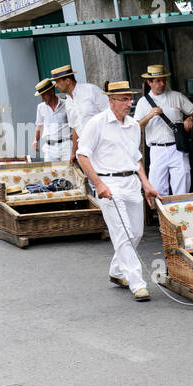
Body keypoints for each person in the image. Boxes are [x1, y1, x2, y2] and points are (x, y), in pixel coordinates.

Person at [75, 80, 160, 302]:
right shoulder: (96, 123)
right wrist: (98, 184)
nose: (129, 103)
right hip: (108, 184)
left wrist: (146, 184)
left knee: (136, 233)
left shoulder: (133, 126)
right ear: (111, 101)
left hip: (131, 183)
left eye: (130, 98)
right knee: (122, 234)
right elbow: (82, 156)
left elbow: (136, 158)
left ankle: (116, 271)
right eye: (123, 99)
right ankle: (138, 283)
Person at [134, 64, 193, 197]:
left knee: (182, 190)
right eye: (158, 81)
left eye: (164, 80)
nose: (162, 83)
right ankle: (162, 217)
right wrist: (149, 115)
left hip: (178, 148)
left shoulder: (176, 96)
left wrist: (190, 119)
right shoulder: (143, 102)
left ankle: (181, 217)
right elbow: (136, 127)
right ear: (149, 82)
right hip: (157, 149)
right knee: (158, 190)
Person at [32, 78, 72, 161]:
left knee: (69, 172)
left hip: (66, 145)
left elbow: (75, 124)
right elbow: (39, 126)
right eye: (41, 95)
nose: (42, 98)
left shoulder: (66, 104)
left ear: (51, 92)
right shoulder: (41, 107)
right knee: (52, 172)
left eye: (44, 95)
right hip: (50, 147)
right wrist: (35, 140)